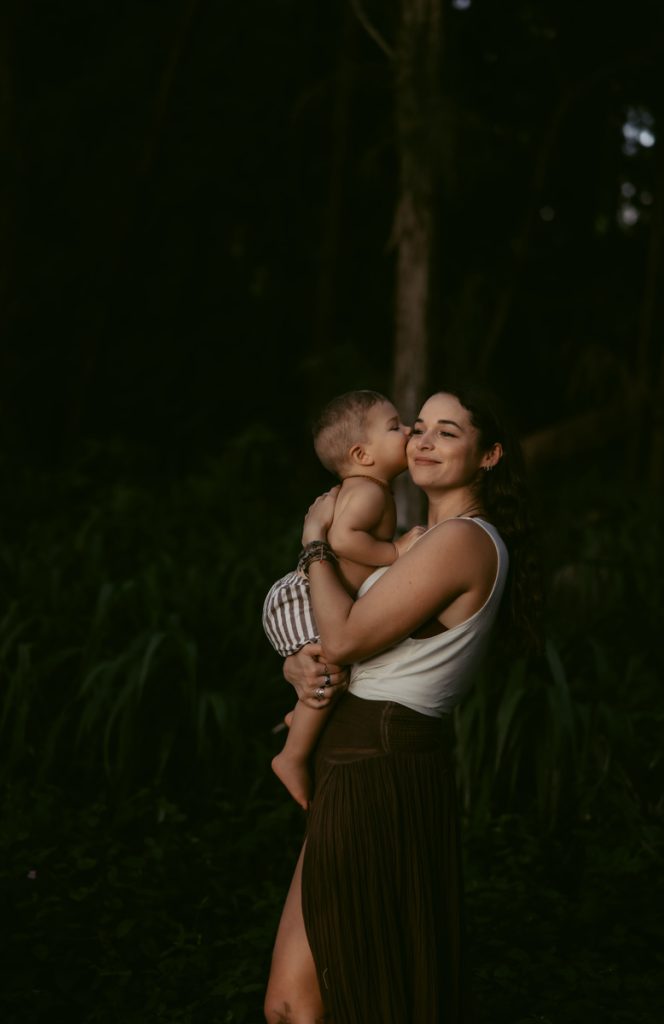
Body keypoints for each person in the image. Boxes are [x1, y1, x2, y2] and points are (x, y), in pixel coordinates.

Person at [264, 386, 542, 1024]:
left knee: (337, 997)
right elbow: (342, 640)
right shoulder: (425, 538)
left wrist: (313, 542)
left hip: (380, 757)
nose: (425, 440)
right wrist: (294, 660)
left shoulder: (463, 542)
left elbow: (343, 636)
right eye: (420, 426)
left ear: (490, 455)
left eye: (450, 431)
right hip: (356, 750)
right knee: (293, 1003)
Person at [263, 390, 413, 810]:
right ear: (362, 454)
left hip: (306, 594)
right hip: (305, 597)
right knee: (330, 669)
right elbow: (346, 539)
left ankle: (300, 722)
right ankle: (291, 757)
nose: (408, 431)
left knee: (328, 676)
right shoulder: (370, 492)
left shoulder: (363, 488)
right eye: (395, 426)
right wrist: (397, 552)